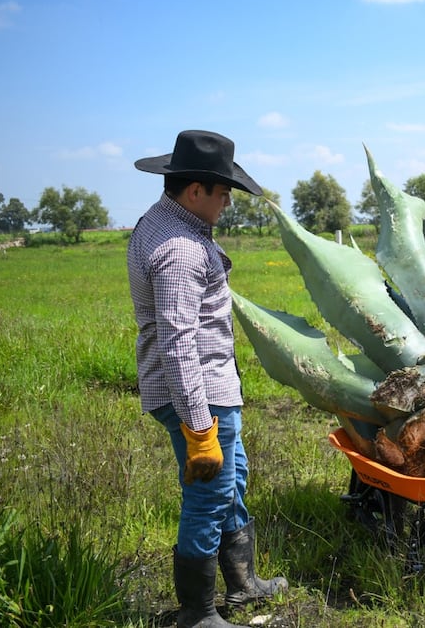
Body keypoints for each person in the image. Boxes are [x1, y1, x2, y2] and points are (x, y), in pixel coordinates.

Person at [128, 130, 287, 628]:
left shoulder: (163, 224)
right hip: (196, 395)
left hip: (205, 389)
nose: (227, 203)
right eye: (223, 193)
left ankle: (243, 586)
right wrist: (200, 429)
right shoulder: (180, 249)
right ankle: (197, 614)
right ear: (195, 191)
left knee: (232, 478)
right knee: (210, 493)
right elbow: (179, 345)